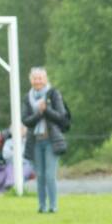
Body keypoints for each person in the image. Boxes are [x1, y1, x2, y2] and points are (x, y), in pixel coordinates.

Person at [23, 66, 70, 214]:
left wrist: (46, 110)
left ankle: (53, 206)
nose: (38, 81)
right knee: (40, 175)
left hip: (51, 140)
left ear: (45, 79)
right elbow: (26, 120)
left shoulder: (54, 94)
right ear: (31, 80)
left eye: (40, 78)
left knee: (50, 174)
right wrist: (39, 113)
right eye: (35, 78)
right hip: (36, 141)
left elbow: (61, 116)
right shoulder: (27, 98)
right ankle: (42, 206)